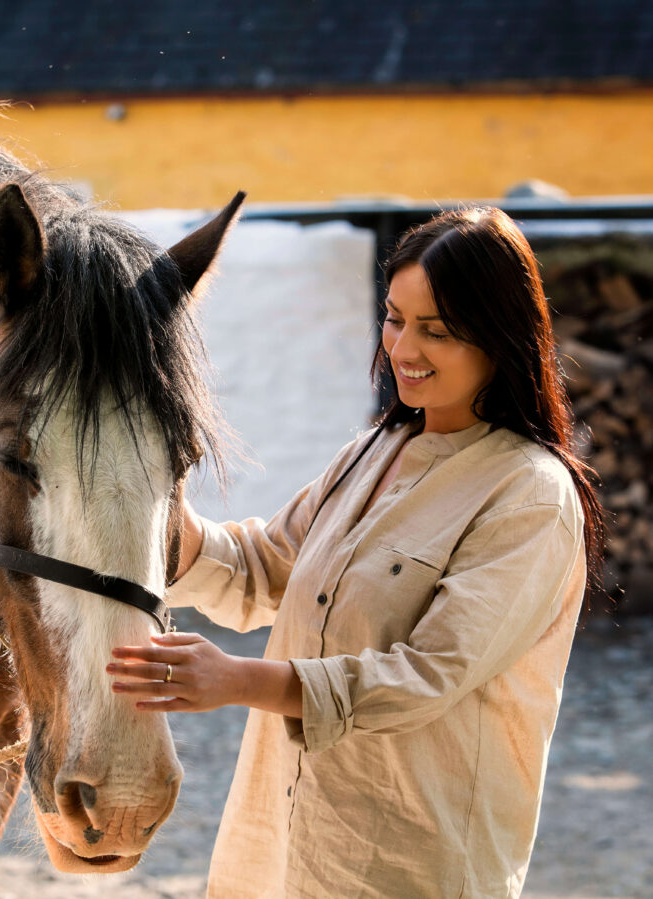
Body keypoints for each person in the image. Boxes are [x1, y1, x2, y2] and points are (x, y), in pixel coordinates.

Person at [106, 206, 604, 898]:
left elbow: (426, 676)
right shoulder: (372, 454)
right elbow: (260, 568)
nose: (404, 348)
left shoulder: (529, 496)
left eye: (438, 330)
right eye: (396, 318)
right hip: (279, 853)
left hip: (408, 864)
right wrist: (148, 499)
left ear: (500, 337)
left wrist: (239, 681)